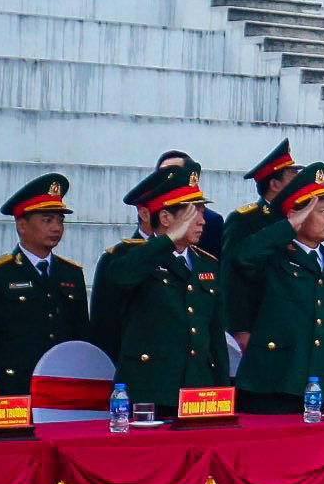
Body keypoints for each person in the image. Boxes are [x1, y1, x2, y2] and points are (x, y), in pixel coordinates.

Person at [89, 161, 225, 410]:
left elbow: (215, 336)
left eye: (202, 213)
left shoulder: (206, 263)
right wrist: (168, 240)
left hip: (199, 391)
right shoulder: (125, 256)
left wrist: (222, 390)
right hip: (150, 388)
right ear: (165, 217)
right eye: (193, 213)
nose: (202, 221)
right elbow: (121, 279)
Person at [231, 163, 324, 412]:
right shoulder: (272, 255)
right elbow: (242, 257)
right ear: (296, 215)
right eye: (322, 211)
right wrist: (288, 226)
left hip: (321, 385)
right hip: (273, 382)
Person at [0, 174, 89, 395]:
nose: (56, 228)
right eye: (47, 220)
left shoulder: (72, 273)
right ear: (22, 225)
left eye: (60, 221)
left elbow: (81, 337)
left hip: (62, 388)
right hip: (15, 388)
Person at [220, 138, 298, 338]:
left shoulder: (299, 216)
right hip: (259, 323)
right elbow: (232, 276)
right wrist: (239, 328)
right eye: (293, 177)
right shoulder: (245, 219)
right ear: (274, 184)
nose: (300, 183)